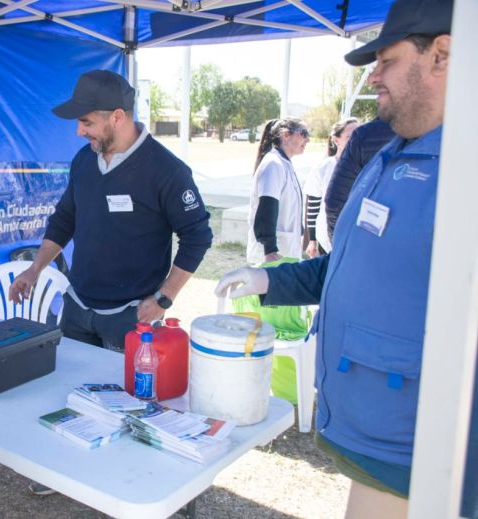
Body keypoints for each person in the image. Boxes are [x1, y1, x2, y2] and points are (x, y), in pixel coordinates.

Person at [216, 0, 453, 516]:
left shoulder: (462, 170)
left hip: (425, 459)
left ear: (442, 55)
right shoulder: (388, 155)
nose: (373, 77)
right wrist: (265, 278)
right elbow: (343, 266)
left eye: (386, 60)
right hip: (370, 442)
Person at [8, 70, 212, 352]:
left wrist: (164, 298)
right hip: (78, 308)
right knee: (67, 391)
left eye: (86, 122)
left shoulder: (167, 171)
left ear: (117, 117)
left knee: (130, 395)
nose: (79, 132)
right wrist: (34, 270)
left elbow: (197, 237)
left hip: (132, 314)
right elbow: (65, 220)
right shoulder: (84, 160)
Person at [246, 118, 310, 265]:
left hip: (284, 254)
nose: (308, 140)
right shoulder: (273, 164)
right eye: (304, 134)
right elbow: (266, 209)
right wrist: (270, 250)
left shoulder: (283, 163)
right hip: (273, 257)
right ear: (286, 135)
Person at [323, 118, 395, 241]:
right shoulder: (365, 137)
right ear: (336, 140)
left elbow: (334, 202)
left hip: (365, 242)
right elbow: (333, 201)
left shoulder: (367, 135)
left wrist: (339, 247)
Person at [303, 117, 359, 256]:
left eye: (359, 136)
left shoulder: (368, 168)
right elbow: (313, 206)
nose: (355, 140)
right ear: (336, 139)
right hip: (326, 239)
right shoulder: (323, 168)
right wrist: (312, 240)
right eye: (349, 136)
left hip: (355, 238)